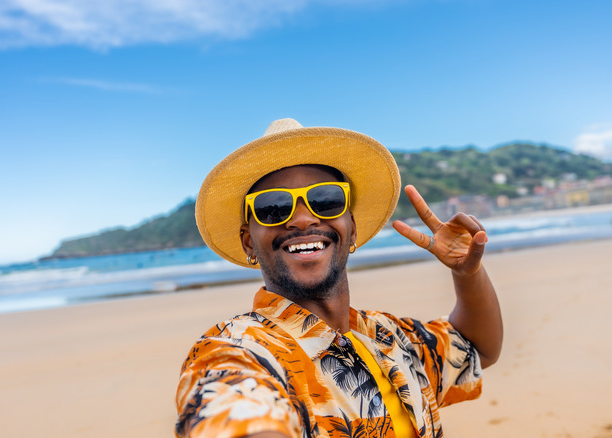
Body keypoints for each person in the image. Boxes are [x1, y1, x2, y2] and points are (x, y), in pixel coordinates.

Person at [175, 118, 503, 438]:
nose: (303, 219)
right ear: (249, 242)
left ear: (352, 229)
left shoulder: (389, 335)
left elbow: (478, 348)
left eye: (326, 201)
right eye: (273, 208)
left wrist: (468, 273)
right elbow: (230, 402)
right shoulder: (238, 348)